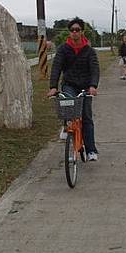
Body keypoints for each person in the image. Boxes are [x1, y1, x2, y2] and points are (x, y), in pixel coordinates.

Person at [47, 18, 100, 161]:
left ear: (82, 32)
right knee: (67, 105)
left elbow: (95, 69)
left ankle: (91, 150)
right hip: (69, 84)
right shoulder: (63, 49)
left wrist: (93, 86)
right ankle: (67, 128)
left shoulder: (89, 51)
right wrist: (53, 87)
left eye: (77, 30)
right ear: (69, 32)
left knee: (86, 117)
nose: (75, 32)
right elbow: (56, 67)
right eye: (72, 30)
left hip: (85, 86)